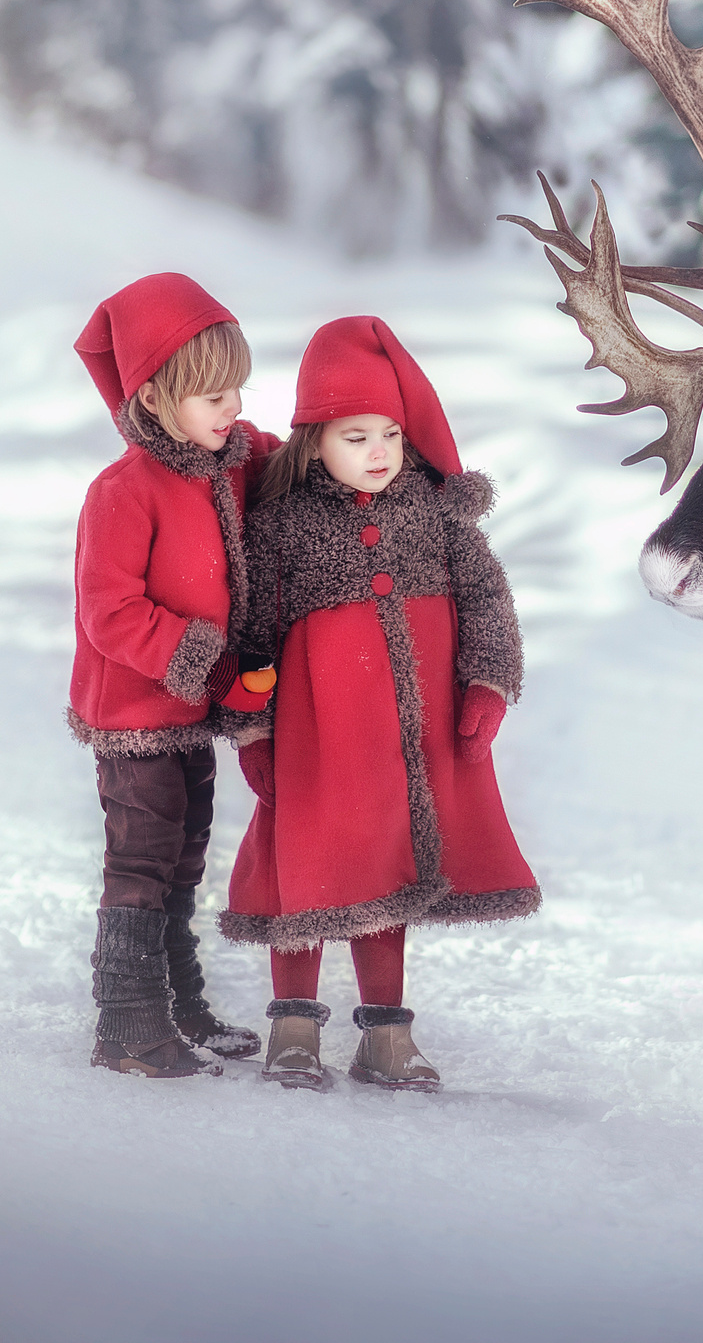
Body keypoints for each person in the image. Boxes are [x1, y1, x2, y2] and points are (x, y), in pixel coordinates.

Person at [219, 315, 539, 1093]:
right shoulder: (283, 525)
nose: (379, 453)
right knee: (311, 867)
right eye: (356, 435)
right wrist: (254, 729)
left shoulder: (433, 514)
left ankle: (385, 1037)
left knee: (391, 864)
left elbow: (487, 597)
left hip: (413, 735)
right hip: (320, 737)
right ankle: (292, 1025)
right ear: (314, 440)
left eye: (391, 434)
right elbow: (254, 629)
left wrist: (487, 682)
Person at [70, 272, 280, 1079]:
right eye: (211, 394)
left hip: (192, 711)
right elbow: (111, 614)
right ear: (154, 398)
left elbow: (296, 461)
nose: (232, 407)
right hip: (133, 714)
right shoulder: (123, 492)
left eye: (237, 388)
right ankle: (125, 1020)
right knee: (143, 858)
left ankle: (178, 999)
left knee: (187, 854)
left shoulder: (227, 460)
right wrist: (213, 665)